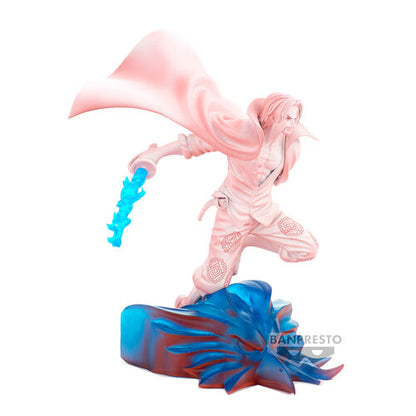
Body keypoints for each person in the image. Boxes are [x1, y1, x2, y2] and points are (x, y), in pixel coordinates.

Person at [128, 93, 319, 307]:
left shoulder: (291, 146)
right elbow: (197, 143)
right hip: (233, 215)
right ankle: (187, 304)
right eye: (287, 118)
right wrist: (157, 154)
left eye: (295, 118)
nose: (292, 124)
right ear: (272, 115)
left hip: (265, 213)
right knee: (214, 281)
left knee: (307, 248)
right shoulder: (242, 133)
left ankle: (247, 241)